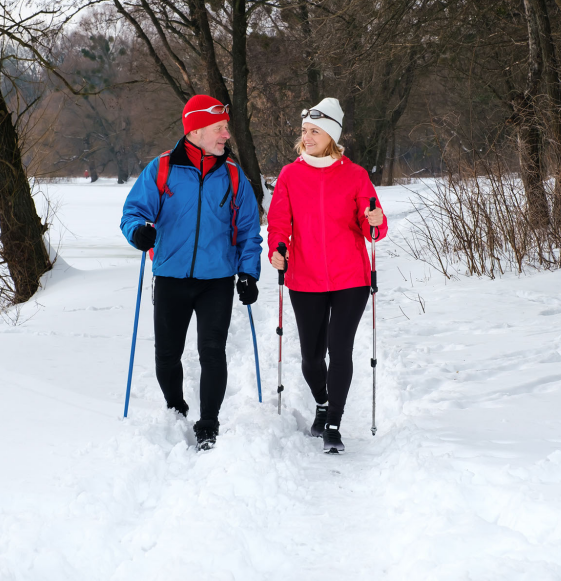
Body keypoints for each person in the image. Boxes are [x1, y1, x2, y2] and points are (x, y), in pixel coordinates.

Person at [121, 95, 263, 449]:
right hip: (171, 276)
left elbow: (248, 230)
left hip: (216, 280)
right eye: (220, 128)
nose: (226, 135)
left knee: (212, 351)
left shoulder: (232, 175)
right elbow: (133, 212)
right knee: (167, 354)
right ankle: (175, 407)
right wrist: (139, 232)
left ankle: (209, 423)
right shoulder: (163, 169)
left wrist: (248, 272)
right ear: (196, 130)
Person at [266, 97, 388, 453]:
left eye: (315, 131)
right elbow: (279, 223)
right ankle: (321, 401)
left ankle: (334, 421)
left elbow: (373, 226)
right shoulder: (290, 175)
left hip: (351, 278)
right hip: (305, 278)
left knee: (340, 349)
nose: (307, 137)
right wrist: (278, 248)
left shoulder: (355, 175)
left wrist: (376, 223)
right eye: (305, 131)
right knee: (311, 357)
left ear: (331, 135)